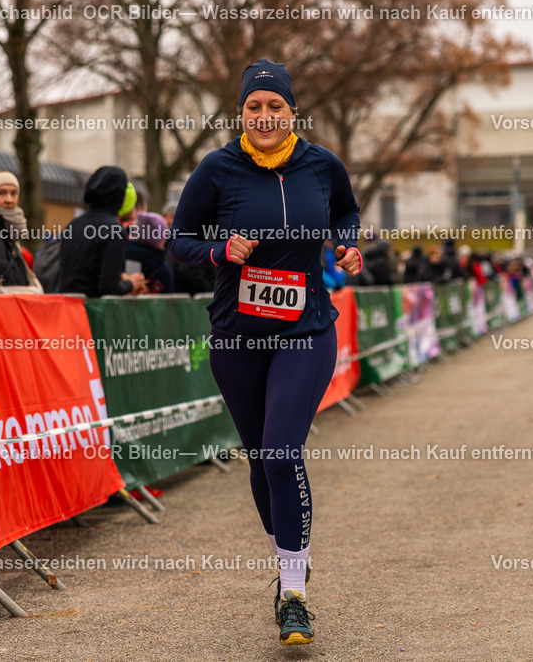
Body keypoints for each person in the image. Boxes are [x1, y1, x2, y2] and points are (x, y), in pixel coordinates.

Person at [167, 58, 361, 646]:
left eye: (275, 105)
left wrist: (347, 244)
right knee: (260, 459)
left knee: (281, 452)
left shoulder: (322, 165)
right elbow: (179, 242)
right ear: (241, 113)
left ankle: (295, 595)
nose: (265, 115)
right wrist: (222, 251)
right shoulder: (217, 169)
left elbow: (345, 211)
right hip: (238, 337)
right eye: (254, 106)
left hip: (305, 331)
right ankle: (288, 568)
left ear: (292, 111)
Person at [59, 166, 147, 297]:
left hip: (67, 310)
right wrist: (131, 283)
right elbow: (108, 288)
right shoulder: (114, 229)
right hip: (91, 313)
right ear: (119, 194)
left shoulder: (74, 224)